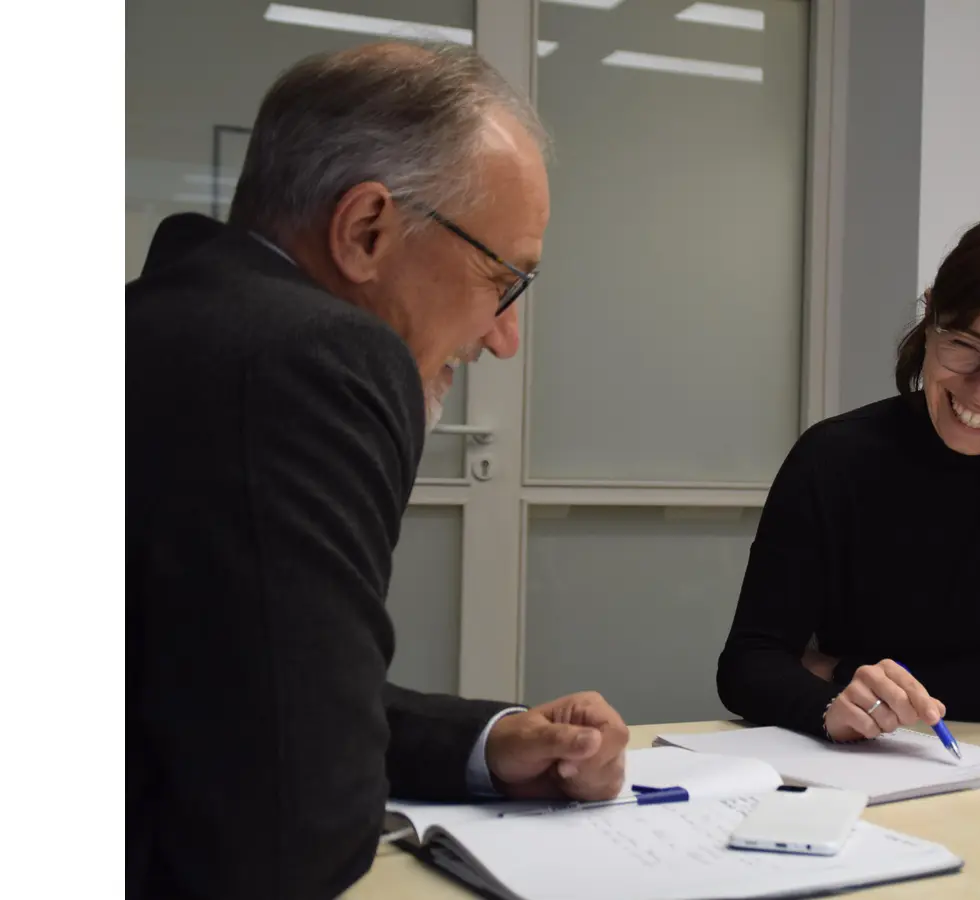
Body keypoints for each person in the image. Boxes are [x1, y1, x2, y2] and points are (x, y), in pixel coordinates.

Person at [127, 43, 629, 900]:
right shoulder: (309, 356)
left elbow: (233, 690)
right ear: (366, 230)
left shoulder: (157, 330)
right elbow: (288, 832)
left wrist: (489, 742)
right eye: (501, 277)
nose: (503, 338)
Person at [716, 202, 980, 743]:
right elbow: (747, 665)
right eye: (964, 345)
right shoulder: (834, 457)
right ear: (931, 317)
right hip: (859, 767)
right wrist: (827, 707)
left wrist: (836, 670)